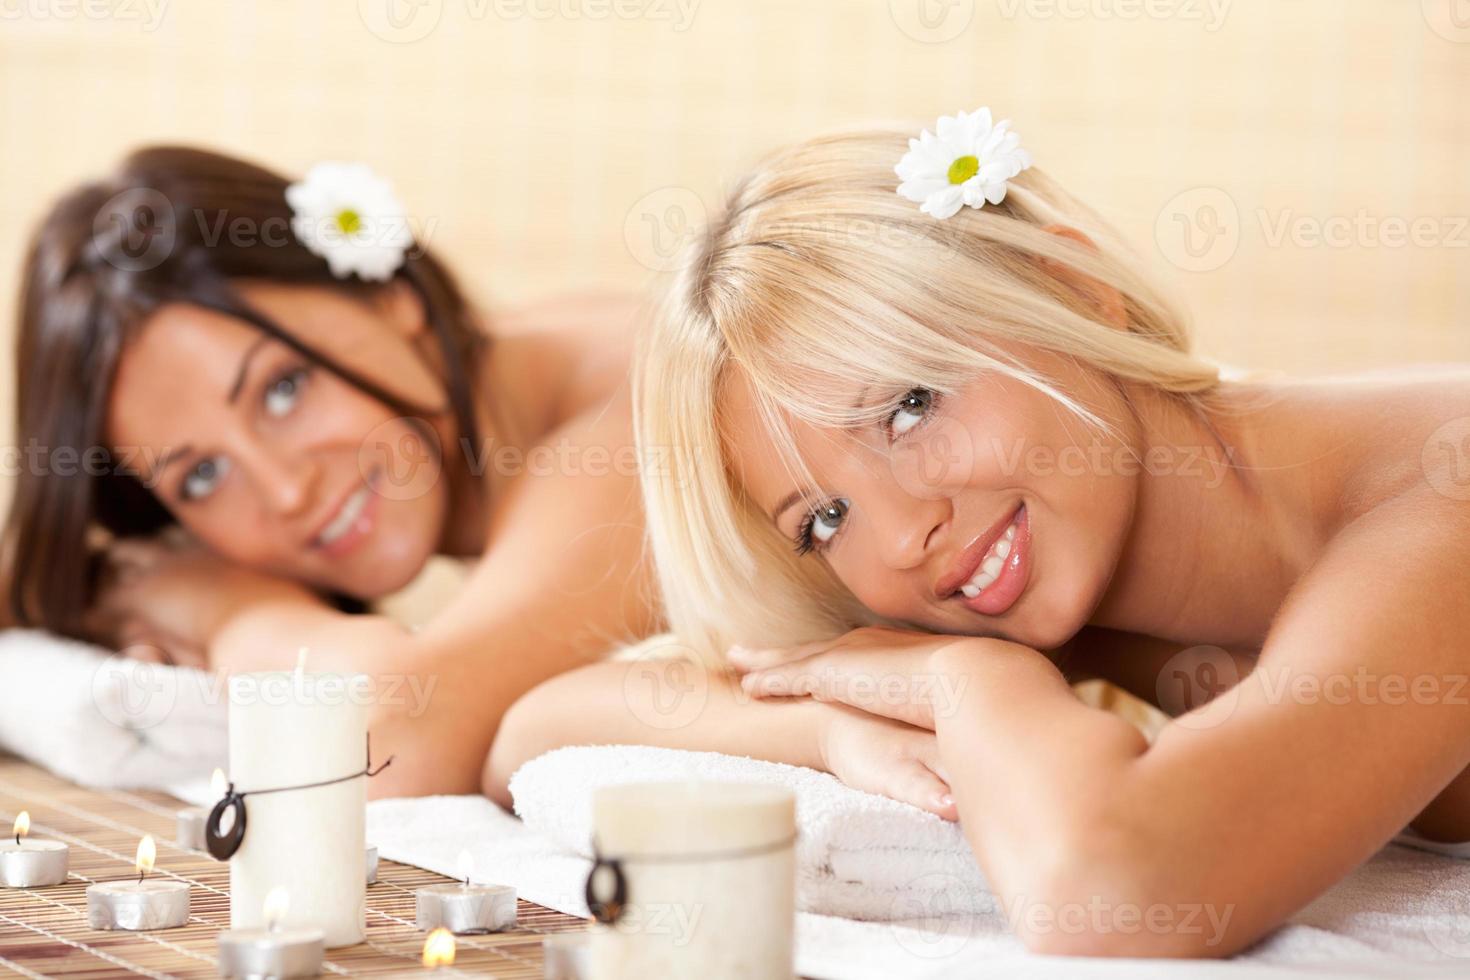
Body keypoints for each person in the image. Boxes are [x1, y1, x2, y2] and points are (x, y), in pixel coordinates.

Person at [490, 110, 1470, 956]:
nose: (905, 533)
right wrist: (829, 724)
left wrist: (970, 687)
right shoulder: (1024, 578)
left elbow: (1118, 890)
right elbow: (534, 727)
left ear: (1075, 283)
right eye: (824, 519)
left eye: (911, 406)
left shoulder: (1437, 484)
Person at [3, 146, 659, 797]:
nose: (286, 491)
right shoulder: (518, 380)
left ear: (388, 293)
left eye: (283, 389)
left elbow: (386, 746)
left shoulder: (632, 405)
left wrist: (229, 610)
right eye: (201, 476)